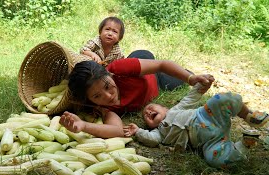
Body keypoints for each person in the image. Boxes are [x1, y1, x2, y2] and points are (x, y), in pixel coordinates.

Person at [123, 82, 269, 169]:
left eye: (151, 107)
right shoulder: (160, 133)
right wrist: (138, 131)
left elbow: (190, 98)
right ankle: (245, 144)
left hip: (207, 115)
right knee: (214, 160)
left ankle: (249, 116)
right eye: (145, 116)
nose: (148, 112)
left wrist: (201, 86)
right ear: (150, 126)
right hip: (211, 141)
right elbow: (151, 139)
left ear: (165, 108)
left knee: (220, 99)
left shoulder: (175, 110)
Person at [60, 57, 213, 138]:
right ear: (90, 99)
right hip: (159, 87)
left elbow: (161, 65)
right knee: (176, 83)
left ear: (109, 74)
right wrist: (84, 126)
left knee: (185, 74)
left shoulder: (118, 69)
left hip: (152, 76)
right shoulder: (101, 108)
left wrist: (190, 78)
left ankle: (141, 58)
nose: (108, 96)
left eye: (107, 86)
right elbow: (117, 130)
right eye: (97, 96)